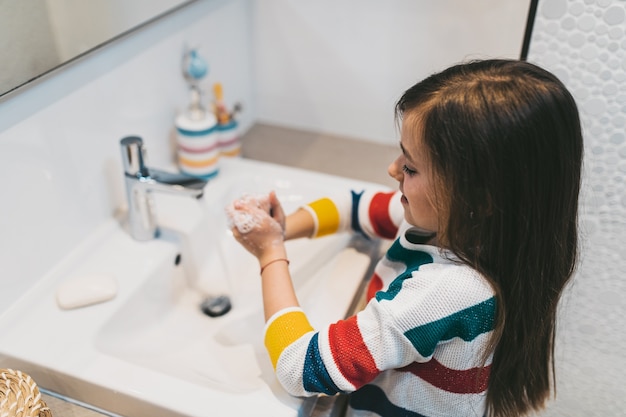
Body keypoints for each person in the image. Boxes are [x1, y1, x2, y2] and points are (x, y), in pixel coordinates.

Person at [226, 59, 584, 417]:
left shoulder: (445, 292)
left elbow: (300, 368)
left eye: (410, 167)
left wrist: (270, 253)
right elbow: (357, 205)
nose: (393, 169)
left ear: (478, 200)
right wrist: (287, 228)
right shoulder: (471, 230)